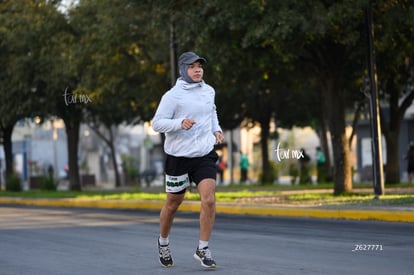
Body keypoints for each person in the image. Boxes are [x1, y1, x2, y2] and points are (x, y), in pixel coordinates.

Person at [152, 51, 224, 269]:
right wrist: (179, 123)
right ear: (184, 70)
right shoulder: (172, 96)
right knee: (173, 204)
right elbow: (157, 123)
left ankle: (203, 248)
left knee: (209, 200)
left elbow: (211, 112)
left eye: (200, 66)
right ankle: (163, 242)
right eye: (192, 67)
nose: (198, 70)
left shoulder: (209, 91)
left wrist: (216, 129)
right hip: (178, 157)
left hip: (203, 154)